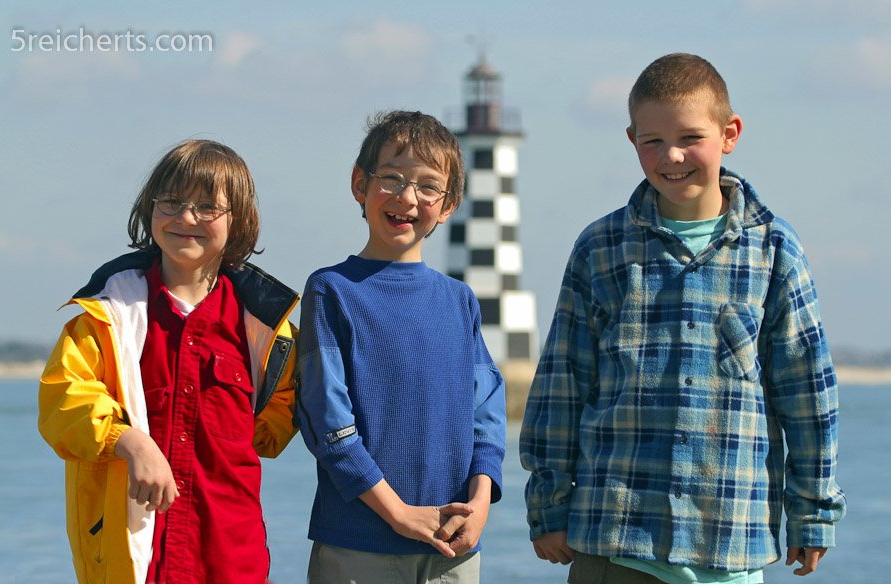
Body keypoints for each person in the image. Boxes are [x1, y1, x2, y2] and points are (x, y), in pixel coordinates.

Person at [520, 53, 846, 583]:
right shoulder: (600, 248)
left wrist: (812, 514)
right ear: (632, 141)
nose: (671, 156)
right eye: (652, 141)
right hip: (614, 545)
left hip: (729, 548)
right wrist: (549, 505)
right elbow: (562, 385)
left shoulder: (775, 250)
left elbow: (807, 393)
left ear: (729, 133)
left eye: (690, 137)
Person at [38, 139, 299, 584]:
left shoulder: (267, 330)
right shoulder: (107, 314)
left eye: (206, 207)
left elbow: (273, 430)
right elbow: (64, 399)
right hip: (131, 551)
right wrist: (130, 442)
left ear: (238, 221)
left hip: (231, 554)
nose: (186, 217)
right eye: (172, 202)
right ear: (149, 209)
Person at [296, 110, 507, 584]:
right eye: (391, 178)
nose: (407, 198)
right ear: (359, 184)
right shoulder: (332, 290)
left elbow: (487, 413)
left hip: (454, 546)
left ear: (449, 204)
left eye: (429, 186)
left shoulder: (459, 300)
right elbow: (326, 418)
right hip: (358, 544)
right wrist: (397, 513)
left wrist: (480, 503)